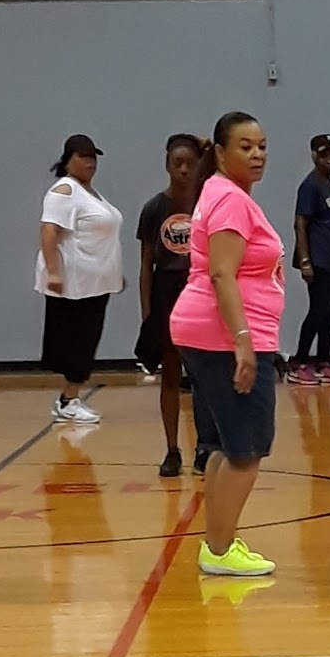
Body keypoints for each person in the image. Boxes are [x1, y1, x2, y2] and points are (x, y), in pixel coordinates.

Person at [170, 111, 284, 578]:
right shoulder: (231, 201)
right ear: (219, 152)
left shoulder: (222, 193)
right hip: (225, 336)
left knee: (223, 445)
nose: (256, 154)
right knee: (246, 449)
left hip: (206, 332)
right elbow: (222, 272)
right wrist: (243, 342)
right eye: (244, 146)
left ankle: (217, 544)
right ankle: (219, 550)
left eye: (261, 145)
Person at [136, 133, 214, 477]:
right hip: (167, 295)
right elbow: (145, 266)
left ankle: (205, 447)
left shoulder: (206, 203)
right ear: (167, 165)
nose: (183, 169)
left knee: (202, 377)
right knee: (170, 375)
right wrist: (148, 314)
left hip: (199, 291)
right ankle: (171, 450)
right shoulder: (155, 208)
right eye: (176, 163)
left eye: (189, 162)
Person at [35, 134, 123, 423]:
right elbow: (49, 231)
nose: (89, 162)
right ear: (68, 159)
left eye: (92, 157)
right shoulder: (65, 190)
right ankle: (68, 400)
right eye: (83, 156)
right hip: (76, 283)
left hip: (97, 282)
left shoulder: (89, 192)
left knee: (88, 339)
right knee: (79, 342)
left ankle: (69, 398)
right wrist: (54, 271)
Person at [288, 134, 330, 386]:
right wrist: (305, 260)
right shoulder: (311, 186)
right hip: (319, 262)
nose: (329, 159)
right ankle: (300, 362)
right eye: (324, 155)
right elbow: (300, 223)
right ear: (314, 156)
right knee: (318, 310)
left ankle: (323, 362)